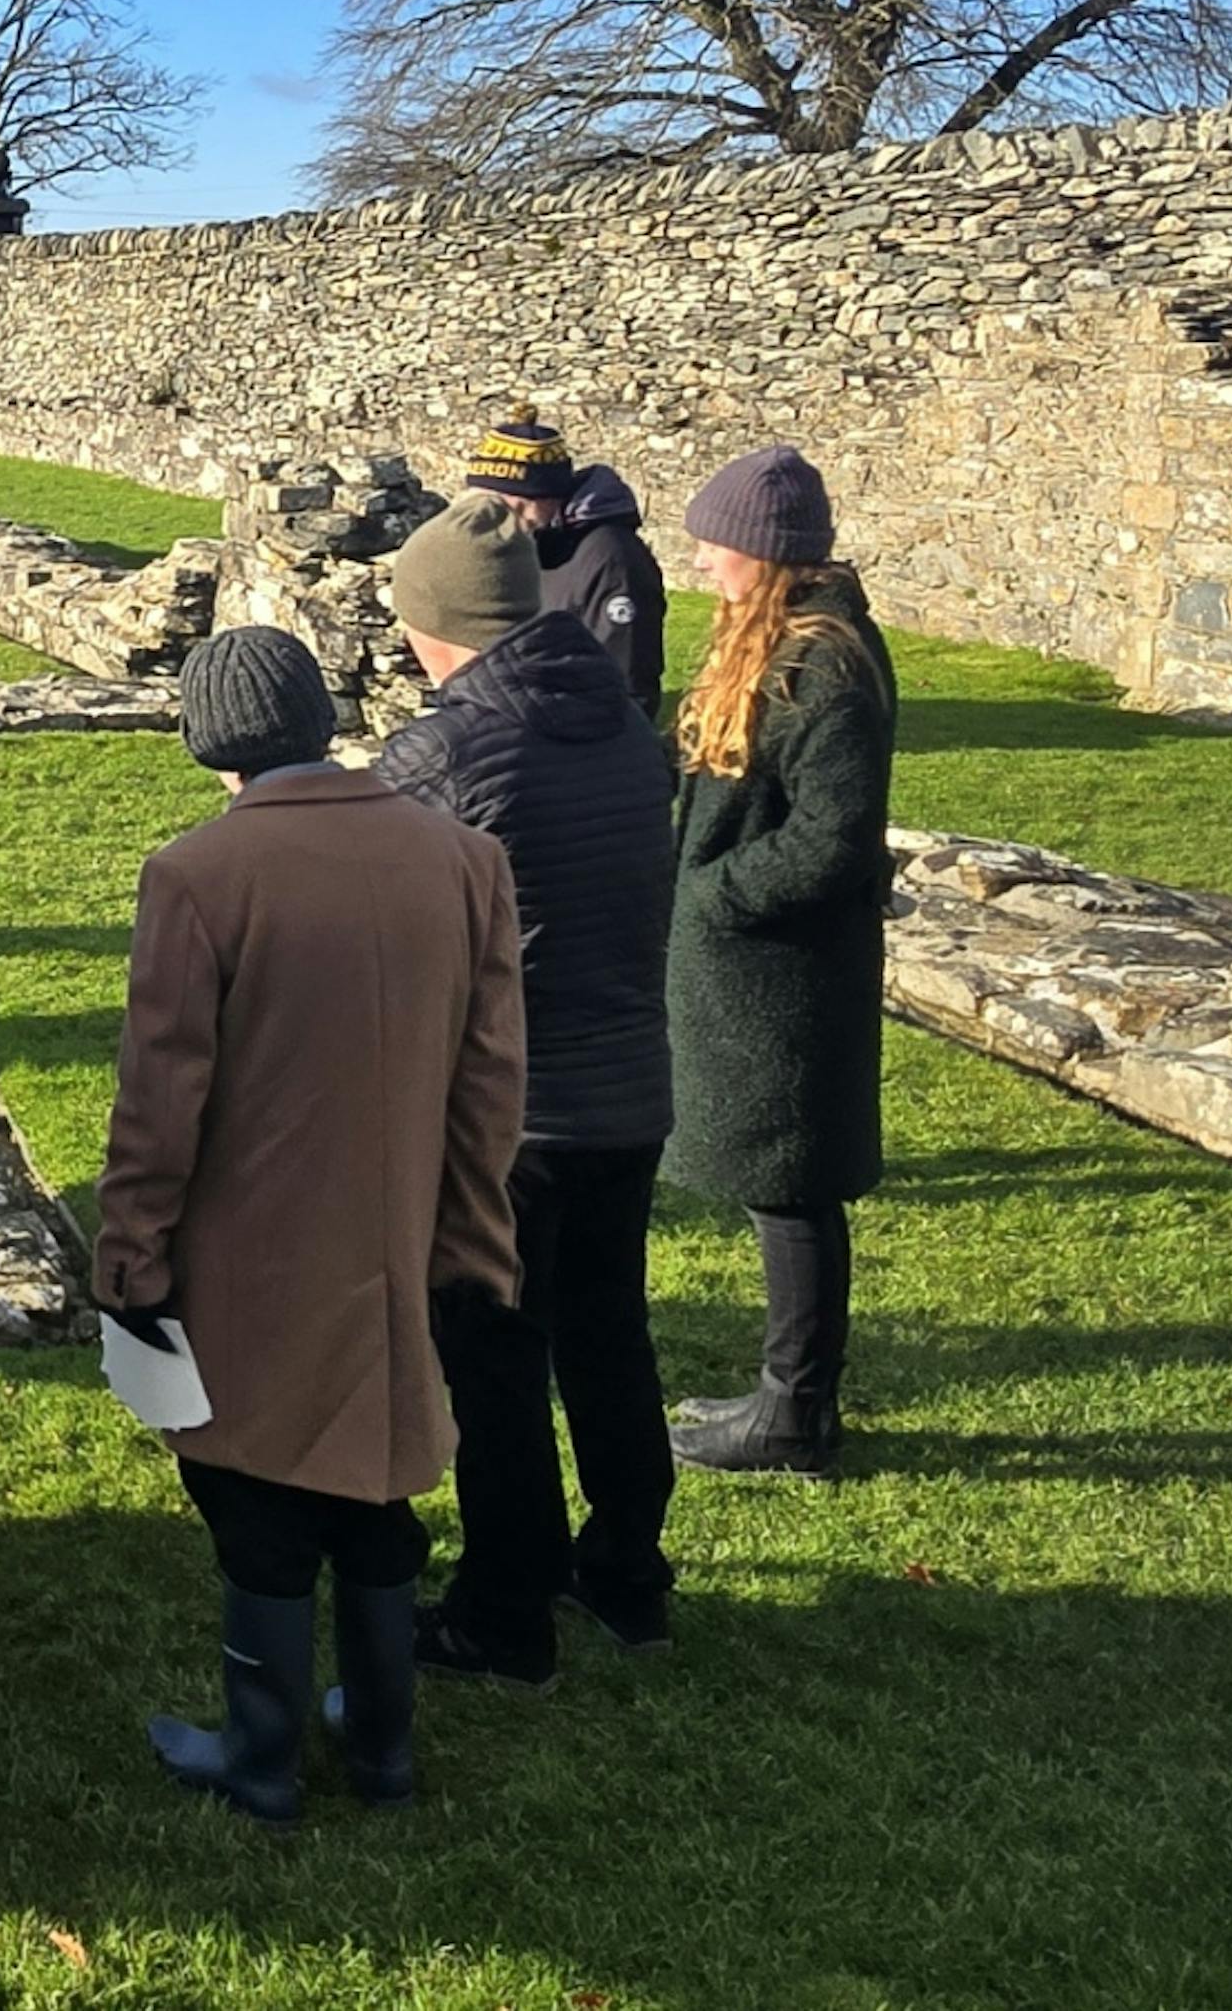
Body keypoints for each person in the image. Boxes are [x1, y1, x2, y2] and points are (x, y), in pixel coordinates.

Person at [99, 625, 525, 1823]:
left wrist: (129, 1255)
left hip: (250, 1250)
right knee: (375, 1489)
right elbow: (490, 1080)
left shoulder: (199, 874)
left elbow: (159, 1099)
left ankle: (262, 1753)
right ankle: (380, 1743)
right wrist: (471, 1238)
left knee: (257, 1496)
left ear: (207, 743)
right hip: (398, 1236)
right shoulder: (462, 858)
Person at [375, 498, 681, 1684]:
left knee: (492, 1353)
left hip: (509, 1107)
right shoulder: (620, 722)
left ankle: (504, 1611)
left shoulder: (446, 752)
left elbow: (383, 911)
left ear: (435, 621)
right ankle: (625, 1569)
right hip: (625, 1085)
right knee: (606, 1330)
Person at [663, 445, 898, 1479]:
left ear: (764, 550)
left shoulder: (824, 665)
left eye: (715, 544)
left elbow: (832, 837)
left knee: (791, 1186)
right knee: (781, 1186)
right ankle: (786, 1397)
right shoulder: (778, 642)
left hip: (787, 976)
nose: (701, 562)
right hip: (756, 971)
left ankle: (794, 1413)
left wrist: (715, 893)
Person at [467, 404, 668, 709]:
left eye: (502, 503)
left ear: (540, 498)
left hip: (585, 731)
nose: (490, 516)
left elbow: (627, 683)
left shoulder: (612, 559)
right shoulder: (524, 543)